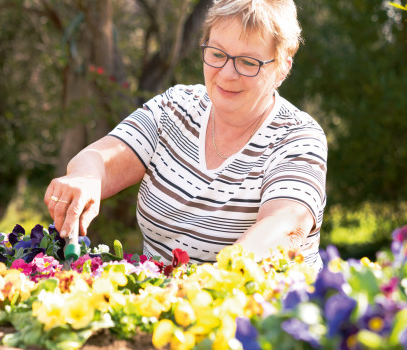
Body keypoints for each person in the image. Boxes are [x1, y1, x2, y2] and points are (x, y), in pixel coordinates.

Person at [45, 0, 327, 271]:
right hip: (164, 308)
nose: (227, 73)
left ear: (282, 68)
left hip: (263, 312)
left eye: (247, 62)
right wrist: (86, 178)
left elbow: (285, 223)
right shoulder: (175, 107)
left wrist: (213, 282)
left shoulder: (299, 137)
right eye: (217, 54)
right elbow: (101, 158)